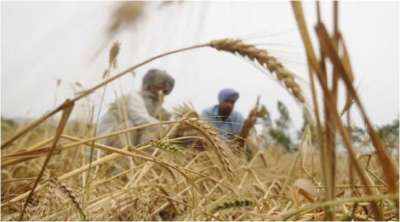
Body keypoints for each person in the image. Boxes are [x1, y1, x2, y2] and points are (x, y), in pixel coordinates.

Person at [98, 68, 175, 147]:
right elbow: (142, 119)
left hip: (119, 139)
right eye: (158, 87)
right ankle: (142, 156)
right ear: (148, 85)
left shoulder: (156, 107)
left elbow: (170, 119)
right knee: (131, 126)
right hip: (107, 138)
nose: (160, 91)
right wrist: (165, 128)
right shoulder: (134, 97)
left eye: (164, 89)